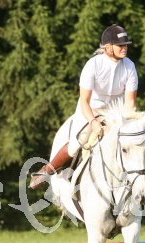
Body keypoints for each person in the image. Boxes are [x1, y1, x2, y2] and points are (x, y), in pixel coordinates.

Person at [29, 24, 138, 189]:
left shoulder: (129, 66)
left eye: (126, 45)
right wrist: (93, 122)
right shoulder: (93, 65)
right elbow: (84, 101)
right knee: (76, 143)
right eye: (121, 45)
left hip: (115, 112)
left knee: (136, 139)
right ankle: (46, 170)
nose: (125, 48)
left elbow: (130, 103)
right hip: (90, 109)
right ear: (108, 48)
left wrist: (129, 124)